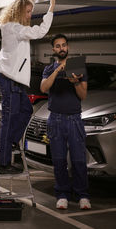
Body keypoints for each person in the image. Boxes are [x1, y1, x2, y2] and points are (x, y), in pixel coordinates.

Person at [0, 0, 56, 174]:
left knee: (26, 112)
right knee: (9, 119)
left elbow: (27, 3)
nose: (30, 15)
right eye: (28, 12)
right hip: (10, 79)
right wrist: (51, 8)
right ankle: (4, 163)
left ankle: (9, 143)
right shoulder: (17, 29)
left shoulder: (10, 25)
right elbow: (40, 32)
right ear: (20, 12)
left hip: (13, 78)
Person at [40, 34, 91, 210]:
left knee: (78, 160)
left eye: (64, 45)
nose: (62, 48)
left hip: (74, 119)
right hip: (55, 120)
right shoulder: (48, 69)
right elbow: (44, 88)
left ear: (67, 47)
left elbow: (83, 95)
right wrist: (58, 70)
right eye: (58, 46)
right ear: (53, 50)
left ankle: (82, 195)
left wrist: (76, 82)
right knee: (59, 159)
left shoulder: (79, 67)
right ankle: (62, 194)